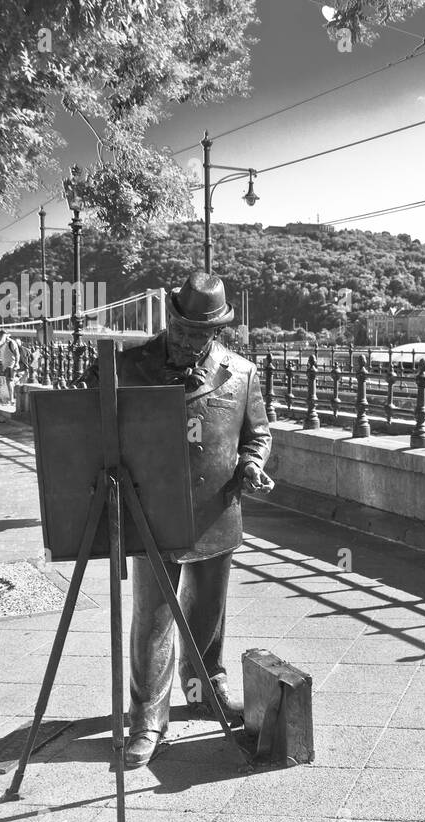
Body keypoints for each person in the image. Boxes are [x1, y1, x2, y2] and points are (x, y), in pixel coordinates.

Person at [83, 272, 272, 769]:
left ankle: (205, 687)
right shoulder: (127, 367)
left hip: (218, 510)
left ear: (217, 332)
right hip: (151, 515)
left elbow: (257, 435)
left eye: (199, 334)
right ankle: (147, 718)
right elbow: (89, 425)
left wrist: (253, 464)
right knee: (153, 619)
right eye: (182, 329)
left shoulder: (242, 372)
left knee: (208, 612)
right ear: (171, 318)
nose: (188, 340)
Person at [0, 329, 21, 405]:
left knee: (9, 382)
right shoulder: (2, 343)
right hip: (6, 365)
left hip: (10, 365)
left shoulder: (11, 342)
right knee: (9, 382)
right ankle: (13, 396)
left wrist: (16, 363)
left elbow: (17, 354)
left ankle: (12, 399)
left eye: (0, 336)